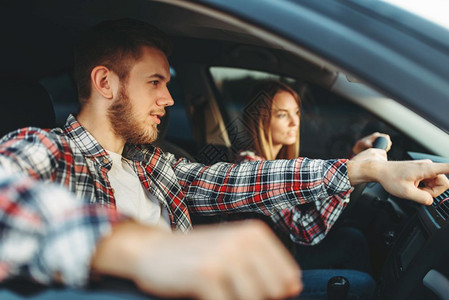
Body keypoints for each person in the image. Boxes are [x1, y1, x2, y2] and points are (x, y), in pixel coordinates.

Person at [0, 18, 449, 299]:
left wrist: (362, 169)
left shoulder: (151, 166)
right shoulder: (50, 150)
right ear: (105, 82)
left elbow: (238, 180)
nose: (169, 98)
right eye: (155, 82)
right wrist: (137, 248)